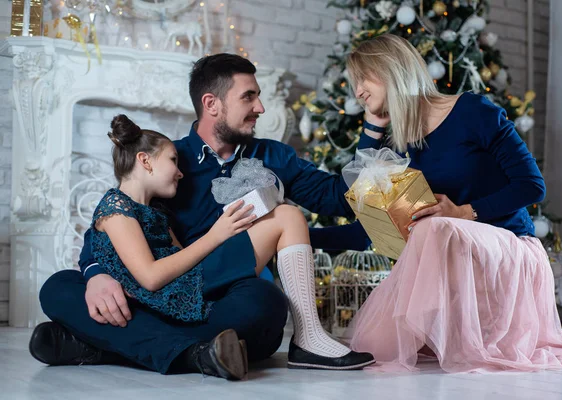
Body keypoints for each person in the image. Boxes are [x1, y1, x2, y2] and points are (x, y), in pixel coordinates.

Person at [29, 54, 374, 378]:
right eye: (248, 97)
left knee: (265, 304)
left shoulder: (274, 156)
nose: (260, 107)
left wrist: (372, 131)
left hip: (224, 294)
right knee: (60, 287)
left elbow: (338, 199)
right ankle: (198, 353)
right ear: (212, 104)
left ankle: (102, 345)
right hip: (161, 290)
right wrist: (95, 274)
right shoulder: (168, 161)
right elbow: (111, 223)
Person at [344, 34, 562, 372]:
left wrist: (464, 212)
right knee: (374, 347)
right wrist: (373, 127)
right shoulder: (405, 141)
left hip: (508, 248)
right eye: (353, 84)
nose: (357, 91)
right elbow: (366, 200)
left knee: (434, 226)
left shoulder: (473, 111)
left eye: (362, 79)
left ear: (390, 69)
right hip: (454, 258)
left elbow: (533, 186)